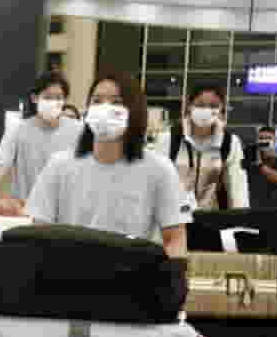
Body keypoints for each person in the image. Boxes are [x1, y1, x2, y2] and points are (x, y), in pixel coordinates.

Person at [26, 71, 190, 257]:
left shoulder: (159, 169)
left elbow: (175, 238)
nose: (104, 108)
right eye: (96, 101)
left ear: (133, 110)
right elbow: (39, 231)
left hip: (132, 269)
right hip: (70, 269)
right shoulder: (59, 165)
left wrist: (173, 270)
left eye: (116, 102)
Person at [0, 72, 83, 216]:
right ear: (35, 98)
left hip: (63, 209)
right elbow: (2, 160)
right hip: (25, 208)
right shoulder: (18, 129)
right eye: (48, 97)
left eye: (58, 98)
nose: (53, 102)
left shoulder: (77, 130)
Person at [152, 85, 248, 212]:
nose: (206, 110)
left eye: (213, 105)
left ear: (221, 108)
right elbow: (154, 183)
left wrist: (241, 217)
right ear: (189, 106)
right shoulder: (168, 139)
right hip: (173, 217)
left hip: (210, 217)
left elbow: (238, 187)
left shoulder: (229, 143)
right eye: (200, 105)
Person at [247, 126, 277, 209]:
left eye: (268, 138)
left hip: (274, 205)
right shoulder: (250, 155)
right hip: (254, 204)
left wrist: (260, 164)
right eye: (261, 138)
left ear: (274, 140)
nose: (264, 141)